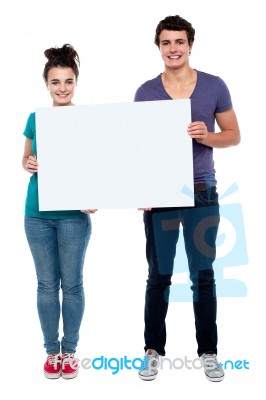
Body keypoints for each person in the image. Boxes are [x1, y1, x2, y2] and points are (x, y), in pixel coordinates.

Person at [135, 15, 240, 382]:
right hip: (160, 195)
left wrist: (207, 136)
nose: (173, 49)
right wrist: (141, 188)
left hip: (201, 190)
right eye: (166, 42)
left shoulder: (214, 86)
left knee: (204, 276)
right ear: (159, 47)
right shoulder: (146, 92)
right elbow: (138, 149)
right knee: (159, 275)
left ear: (190, 45)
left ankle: (208, 352)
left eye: (179, 42)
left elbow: (234, 135)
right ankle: (152, 350)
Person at [22, 44, 97, 379]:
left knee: (74, 285)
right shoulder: (36, 119)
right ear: (47, 85)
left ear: (76, 82)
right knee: (46, 285)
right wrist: (29, 162)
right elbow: (25, 159)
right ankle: (52, 352)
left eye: (68, 81)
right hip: (37, 213)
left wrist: (93, 195)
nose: (62, 88)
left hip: (73, 218)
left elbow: (98, 168)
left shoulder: (87, 121)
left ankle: (70, 351)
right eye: (56, 82)